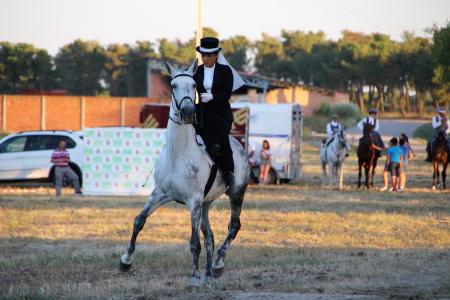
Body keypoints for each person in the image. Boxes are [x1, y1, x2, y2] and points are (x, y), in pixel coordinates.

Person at [193, 37, 243, 189]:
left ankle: (228, 172)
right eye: (203, 56)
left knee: (221, 141)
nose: (206, 58)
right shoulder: (198, 71)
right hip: (201, 112)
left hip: (220, 114)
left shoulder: (225, 71)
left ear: (216, 56)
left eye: (209, 56)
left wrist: (213, 97)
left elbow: (227, 94)